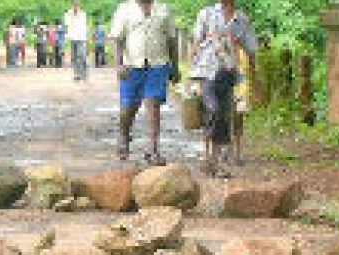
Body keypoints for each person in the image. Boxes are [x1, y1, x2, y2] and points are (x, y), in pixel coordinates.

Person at [189, 0, 259, 176]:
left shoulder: (241, 20)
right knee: (213, 109)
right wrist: (189, 76)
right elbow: (196, 43)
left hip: (229, 74)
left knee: (223, 116)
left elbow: (251, 49)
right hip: (207, 72)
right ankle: (208, 157)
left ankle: (216, 162)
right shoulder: (206, 14)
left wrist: (254, 78)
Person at [110, 0, 180, 165]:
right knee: (128, 108)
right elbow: (118, 39)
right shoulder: (124, 9)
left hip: (158, 64)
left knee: (153, 103)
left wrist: (175, 67)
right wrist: (119, 64)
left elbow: (171, 40)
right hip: (131, 66)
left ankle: (153, 150)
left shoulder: (163, 9)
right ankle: (124, 134)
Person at [65, 0, 89, 81]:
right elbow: (67, 25)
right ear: (72, 4)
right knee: (74, 56)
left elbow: (84, 26)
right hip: (72, 37)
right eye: (74, 3)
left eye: (77, 3)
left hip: (81, 38)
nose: (76, 5)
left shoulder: (83, 14)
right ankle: (77, 74)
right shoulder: (68, 14)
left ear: (79, 4)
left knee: (82, 55)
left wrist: (86, 38)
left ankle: (84, 73)